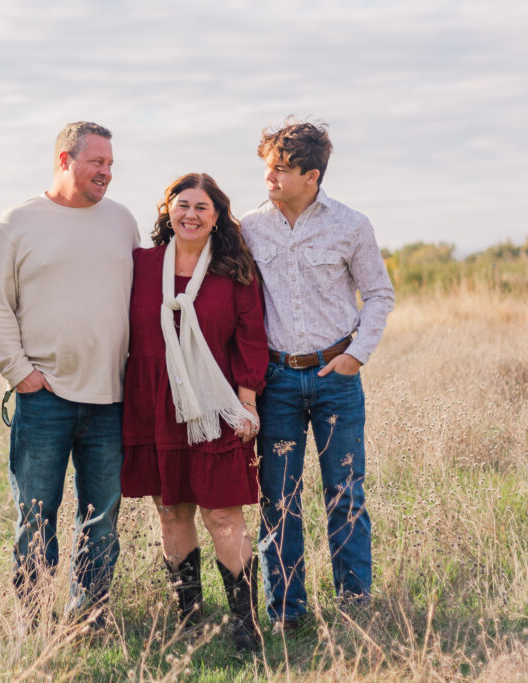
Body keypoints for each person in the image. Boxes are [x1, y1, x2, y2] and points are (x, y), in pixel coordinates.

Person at [240, 119, 395, 633]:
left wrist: (356, 356)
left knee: (345, 492)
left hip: (336, 378)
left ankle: (355, 605)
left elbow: (379, 294)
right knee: (277, 500)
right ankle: (287, 612)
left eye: (281, 169)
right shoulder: (248, 229)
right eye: (267, 167)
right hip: (277, 381)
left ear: (312, 175)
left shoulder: (351, 225)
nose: (270, 177)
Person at [0, 121, 140, 622]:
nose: (106, 173)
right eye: (97, 162)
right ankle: (34, 619)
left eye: (111, 164)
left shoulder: (122, 221)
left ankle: (88, 616)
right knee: (35, 517)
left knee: (102, 520)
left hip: (111, 397)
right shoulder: (17, 223)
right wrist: (20, 373)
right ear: (64, 160)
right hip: (43, 396)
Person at [121, 173, 269, 652]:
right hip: (153, 401)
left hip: (215, 406)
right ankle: (190, 619)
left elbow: (251, 338)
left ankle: (246, 624)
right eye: (182, 205)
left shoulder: (234, 270)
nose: (190, 214)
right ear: (167, 211)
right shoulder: (141, 265)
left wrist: (247, 403)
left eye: (202, 207)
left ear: (217, 216)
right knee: (170, 512)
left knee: (223, 515)